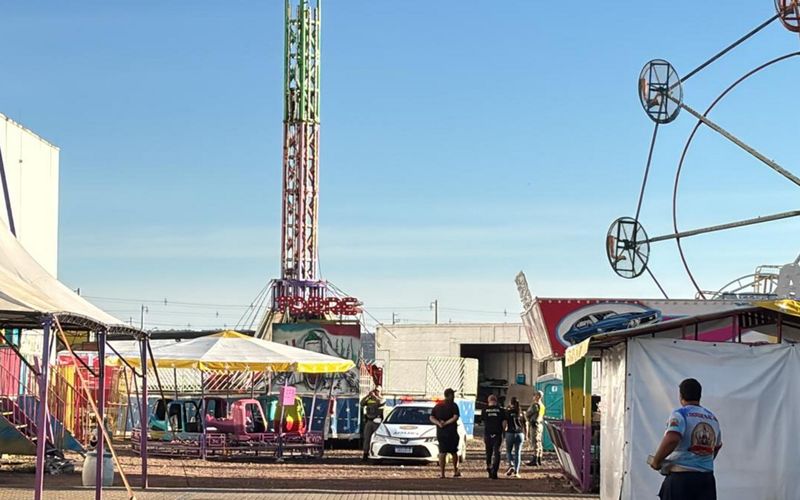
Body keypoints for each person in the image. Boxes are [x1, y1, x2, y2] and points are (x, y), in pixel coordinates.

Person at [650, 378, 722, 500]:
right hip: (706, 480)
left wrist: (656, 461)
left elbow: (672, 439)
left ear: (681, 395)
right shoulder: (712, 418)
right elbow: (716, 447)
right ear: (700, 395)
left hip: (681, 479)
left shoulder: (680, 414)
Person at [430, 388, 461, 478]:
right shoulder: (454, 405)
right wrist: (446, 423)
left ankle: (442, 473)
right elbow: (455, 417)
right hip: (452, 433)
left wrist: (439, 423)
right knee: (454, 452)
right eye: (453, 395)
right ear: (450, 395)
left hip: (441, 433)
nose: (454, 396)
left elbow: (431, 417)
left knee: (442, 452)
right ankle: (455, 470)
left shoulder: (438, 406)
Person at [481, 394, 507, 479]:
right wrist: (504, 432)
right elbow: (504, 424)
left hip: (488, 434)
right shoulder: (501, 410)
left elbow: (483, 421)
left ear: (488, 401)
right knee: (497, 453)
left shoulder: (484, 410)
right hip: (497, 434)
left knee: (488, 453)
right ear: (496, 401)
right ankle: (495, 471)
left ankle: (489, 468)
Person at [360, 385, 385, 460]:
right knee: (367, 438)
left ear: (380, 392)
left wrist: (374, 396)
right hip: (369, 421)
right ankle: (365, 454)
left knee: (377, 439)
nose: (376, 392)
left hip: (377, 421)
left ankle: (375, 453)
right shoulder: (369, 399)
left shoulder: (382, 398)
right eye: (375, 390)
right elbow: (362, 403)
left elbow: (380, 402)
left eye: (377, 391)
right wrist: (368, 396)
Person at [504, 397, 526, 478]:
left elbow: (505, 423)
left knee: (508, 451)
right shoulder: (521, 412)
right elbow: (525, 424)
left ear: (511, 403)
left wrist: (504, 432)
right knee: (518, 453)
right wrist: (526, 434)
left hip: (510, 433)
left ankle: (511, 464)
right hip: (520, 434)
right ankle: (516, 472)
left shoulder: (508, 412)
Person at [525, 390, 546, 466]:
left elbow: (528, 413)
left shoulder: (535, 405)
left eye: (535, 395)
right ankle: (539, 458)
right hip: (540, 424)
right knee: (539, 442)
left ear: (538, 396)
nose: (533, 396)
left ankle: (535, 459)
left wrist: (526, 416)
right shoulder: (542, 406)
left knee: (535, 442)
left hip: (535, 425)